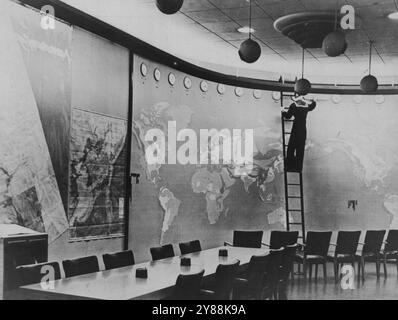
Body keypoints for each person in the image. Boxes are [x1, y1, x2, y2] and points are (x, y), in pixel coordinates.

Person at [282, 95, 316, 172]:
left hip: (296, 129)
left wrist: (283, 111)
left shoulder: (294, 105)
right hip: (303, 130)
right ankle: (298, 168)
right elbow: (313, 106)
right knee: (300, 150)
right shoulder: (306, 106)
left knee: (291, 148)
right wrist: (314, 101)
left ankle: (289, 167)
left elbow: (288, 116)